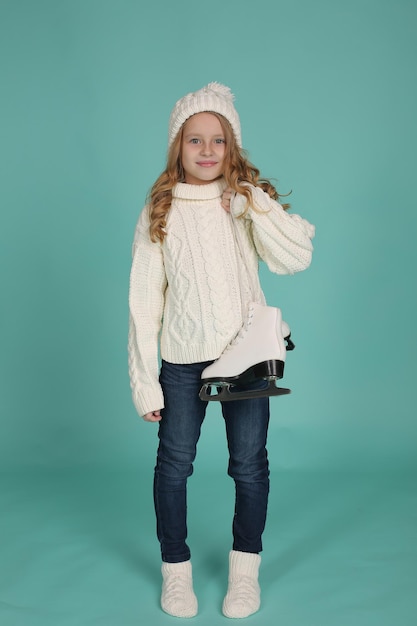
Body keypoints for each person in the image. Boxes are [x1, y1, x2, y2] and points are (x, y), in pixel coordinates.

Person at [128, 82, 315, 619]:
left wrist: (254, 204)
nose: (207, 151)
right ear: (177, 147)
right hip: (182, 360)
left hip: (245, 355)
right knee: (174, 463)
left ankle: (244, 573)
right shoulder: (159, 210)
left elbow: (296, 257)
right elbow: (144, 303)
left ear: (232, 148)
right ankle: (176, 571)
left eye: (218, 141)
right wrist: (145, 380)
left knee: (249, 464)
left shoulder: (243, 204)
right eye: (195, 141)